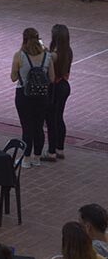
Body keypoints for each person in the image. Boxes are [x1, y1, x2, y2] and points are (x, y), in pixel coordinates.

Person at [10, 27, 55, 168]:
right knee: (38, 127)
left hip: (24, 95)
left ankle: (26, 159)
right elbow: (52, 78)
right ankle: (37, 157)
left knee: (27, 127)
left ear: (24, 39)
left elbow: (13, 77)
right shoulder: (47, 56)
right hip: (42, 96)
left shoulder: (19, 55)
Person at [43, 24, 72, 162]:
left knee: (51, 120)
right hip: (65, 86)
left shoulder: (53, 55)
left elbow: (47, 65)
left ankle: (51, 152)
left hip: (54, 88)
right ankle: (60, 148)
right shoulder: (68, 51)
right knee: (59, 117)